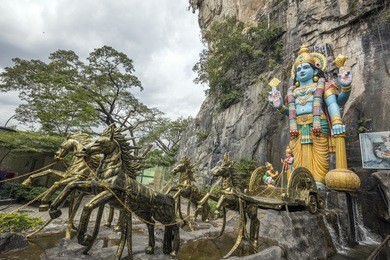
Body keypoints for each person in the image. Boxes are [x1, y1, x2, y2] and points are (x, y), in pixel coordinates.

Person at [268, 44, 352, 190]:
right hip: (297, 126)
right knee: (297, 155)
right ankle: (298, 182)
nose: (301, 71)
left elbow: (334, 103)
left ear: (315, 69)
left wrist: (345, 89)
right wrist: (280, 106)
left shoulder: (324, 86)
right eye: (298, 69)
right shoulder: (292, 92)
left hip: (318, 124)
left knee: (319, 154)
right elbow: (291, 112)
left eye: (305, 68)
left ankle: (318, 181)